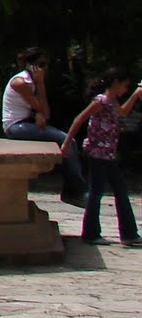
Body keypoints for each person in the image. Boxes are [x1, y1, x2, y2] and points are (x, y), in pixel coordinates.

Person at [61, 68, 142, 246]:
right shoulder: (101, 101)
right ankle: (91, 233)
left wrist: (136, 95)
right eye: (124, 86)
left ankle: (128, 234)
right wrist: (67, 143)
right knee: (97, 193)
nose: (125, 90)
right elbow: (79, 119)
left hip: (109, 155)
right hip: (98, 154)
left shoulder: (112, 102)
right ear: (115, 83)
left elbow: (122, 112)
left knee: (120, 192)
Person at [2, 46, 87, 204]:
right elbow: (41, 109)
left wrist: (39, 112)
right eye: (41, 65)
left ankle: (72, 189)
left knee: (67, 142)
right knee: (68, 141)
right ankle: (76, 190)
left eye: (46, 65)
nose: (45, 69)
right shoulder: (21, 82)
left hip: (26, 123)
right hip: (16, 126)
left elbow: (45, 113)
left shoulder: (31, 82)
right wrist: (40, 85)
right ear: (31, 66)